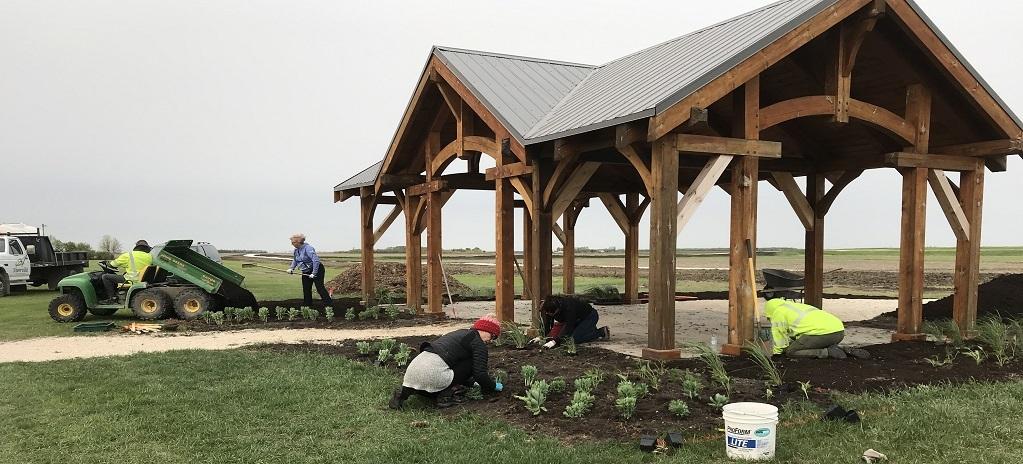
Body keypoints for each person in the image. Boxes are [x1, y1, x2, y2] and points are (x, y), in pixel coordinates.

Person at [389, 315, 503, 410]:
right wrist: (493, 386)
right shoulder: (478, 343)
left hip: (412, 374)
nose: (490, 341)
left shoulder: (460, 334)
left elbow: (457, 367)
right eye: (493, 336)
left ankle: (402, 394)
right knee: (471, 362)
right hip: (433, 376)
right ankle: (445, 397)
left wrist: (472, 382)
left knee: (441, 370)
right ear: (486, 330)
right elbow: (480, 373)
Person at [764, 298, 869, 359]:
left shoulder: (778, 313)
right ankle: (841, 349)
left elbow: (780, 338)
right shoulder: (796, 307)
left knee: (792, 351)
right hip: (839, 332)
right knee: (800, 344)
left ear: (770, 311)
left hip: (822, 334)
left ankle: (828, 353)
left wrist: (777, 354)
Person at [534, 295, 610, 349]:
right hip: (577, 320)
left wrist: (555, 342)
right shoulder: (549, 306)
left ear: (557, 310)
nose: (548, 314)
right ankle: (587, 329)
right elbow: (548, 323)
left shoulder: (569, 308)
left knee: (573, 339)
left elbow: (568, 326)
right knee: (565, 337)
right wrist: (544, 337)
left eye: (550, 313)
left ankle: (600, 332)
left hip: (589, 317)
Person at [287, 233, 333, 307]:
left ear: (298, 241)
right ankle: (307, 305)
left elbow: (316, 261)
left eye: (293, 242)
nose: (292, 244)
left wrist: (314, 273)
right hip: (305, 271)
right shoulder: (296, 250)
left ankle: (329, 305)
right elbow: (295, 260)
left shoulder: (308, 248)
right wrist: (291, 268)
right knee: (306, 288)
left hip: (317, 269)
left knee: (319, 287)